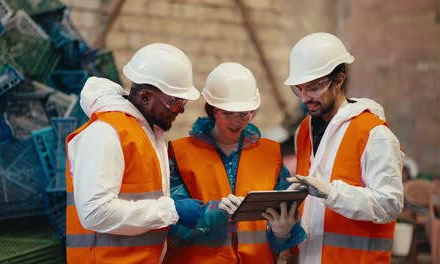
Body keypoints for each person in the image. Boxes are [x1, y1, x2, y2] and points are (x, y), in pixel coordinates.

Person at [65, 43, 201, 263]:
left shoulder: (148, 133)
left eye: (183, 102)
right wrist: (170, 211)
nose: (181, 110)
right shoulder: (106, 132)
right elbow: (95, 212)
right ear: (145, 97)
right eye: (175, 102)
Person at [163, 62, 307, 263]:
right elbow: (167, 218)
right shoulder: (181, 153)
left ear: (253, 112)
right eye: (227, 114)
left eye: (243, 114)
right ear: (213, 110)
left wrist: (282, 233)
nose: (236, 122)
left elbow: (284, 211)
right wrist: (211, 215)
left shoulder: (269, 154)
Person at [284, 32, 404, 263]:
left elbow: (390, 204)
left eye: (313, 88)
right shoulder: (304, 130)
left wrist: (331, 193)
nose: (305, 98)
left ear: (339, 80)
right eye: (299, 89)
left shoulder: (373, 133)